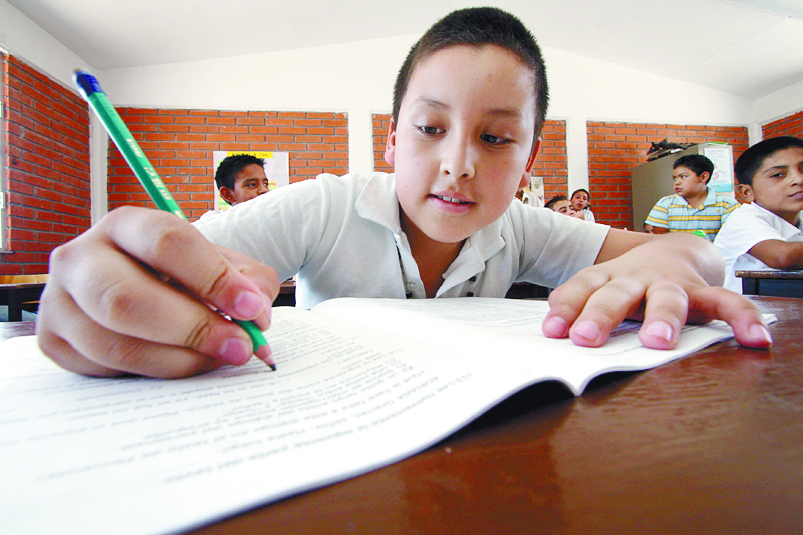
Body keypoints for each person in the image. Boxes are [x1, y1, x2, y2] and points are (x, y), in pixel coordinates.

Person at [36, 7, 771, 380]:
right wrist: (119, 283)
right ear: (391, 140)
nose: (456, 166)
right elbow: (166, 262)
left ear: (528, 159)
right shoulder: (321, 204)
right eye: (428, 128)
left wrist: (680, 262)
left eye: (494, 138)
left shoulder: (519, 226)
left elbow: (691, 252)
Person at [713, 136, 803, 293]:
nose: (799, 179)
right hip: (746, 314)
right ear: (747, 192)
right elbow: (783, 257)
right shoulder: (743, 218)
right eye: (778, 175)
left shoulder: (798, 219)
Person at [644, 154, 740, 241]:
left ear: (703, 177)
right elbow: (658, 240)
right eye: (674, 178)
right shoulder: (666, 204)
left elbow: (732, 240)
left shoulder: (726, 204)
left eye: (683, 176)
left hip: (716, 258)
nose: (677, 182)